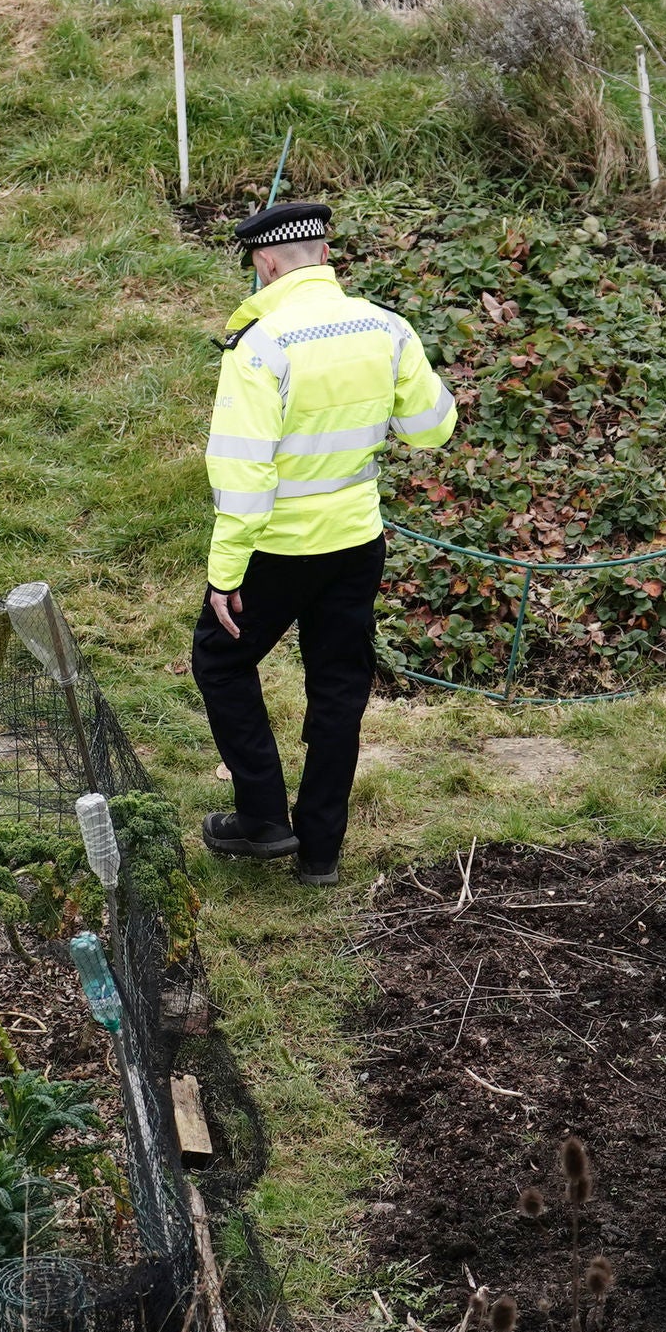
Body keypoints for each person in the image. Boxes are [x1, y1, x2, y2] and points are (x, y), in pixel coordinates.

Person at [194, 199, 457, 886]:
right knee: (338, 688)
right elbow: (433, 427)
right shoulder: (387, 328)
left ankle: (262, 819)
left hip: (275, 551)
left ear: (267, 261)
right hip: (355, 542)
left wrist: (225, 574)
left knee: (220, 662)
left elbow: (243, 474)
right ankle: (320, 852)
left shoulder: (262, 346)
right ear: (325, 255)